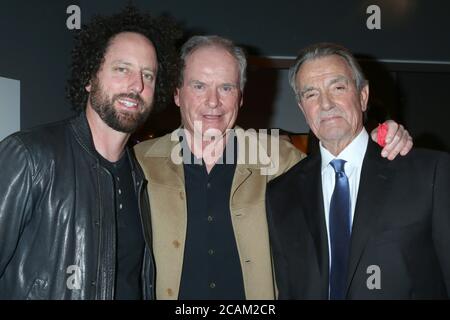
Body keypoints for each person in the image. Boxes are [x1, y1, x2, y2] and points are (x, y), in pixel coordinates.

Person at [134, 35, 412, 300]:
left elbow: (340, 175)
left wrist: (377, 142)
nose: (213, 101)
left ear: (240, 97)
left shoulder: (281, 159)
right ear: (177, 94)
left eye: (226, 88)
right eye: (199, 86)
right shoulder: (139, 162)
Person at [0, 6, 180, 299]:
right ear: (89, 77)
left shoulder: (140, 180)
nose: (137, 85)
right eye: (122, 69)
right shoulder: (30, 157)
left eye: (148, 75)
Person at [266, 42, 450, 299]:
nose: (326, 104)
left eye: (338, 87)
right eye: (311, 94)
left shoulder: (430, 174)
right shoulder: (280, 194)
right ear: (302, 109)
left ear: (363, 96)